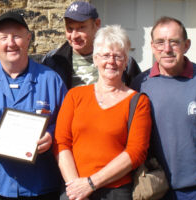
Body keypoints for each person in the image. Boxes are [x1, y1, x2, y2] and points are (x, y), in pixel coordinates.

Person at [0, 11, 67, 200]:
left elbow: (67, 123)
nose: (10, 43)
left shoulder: (51, 80)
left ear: (28, 39)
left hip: (41, 185)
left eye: (17, 36)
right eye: (4, 37)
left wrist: (51, 135)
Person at [54, 25, 151, 200]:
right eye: (105, 55)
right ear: (96, 59)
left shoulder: (138, 102)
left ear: (126, 62)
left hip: (116, 191)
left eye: (118, 56)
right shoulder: (75, 96)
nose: (111, 61)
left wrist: (90, 183)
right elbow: (61, 143)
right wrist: (76, 187)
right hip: (74, 190)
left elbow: (136, 152)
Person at [131, 16, 196, 200]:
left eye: (174, 42)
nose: (167, 49)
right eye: (160, 42)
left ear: (186, 45)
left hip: (195, 191)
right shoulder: (140, 85)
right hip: (153, 189)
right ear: (153, 47)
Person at [41, 1, 141, 89]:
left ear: (97, 24)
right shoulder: (52, 60)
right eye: (70, 28)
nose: (74, 36)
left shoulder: (122, 62)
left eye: (81, 28)